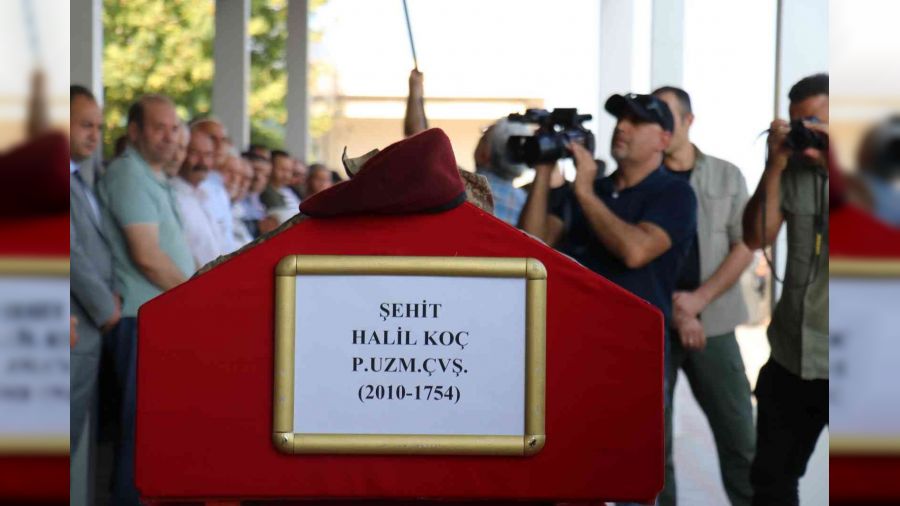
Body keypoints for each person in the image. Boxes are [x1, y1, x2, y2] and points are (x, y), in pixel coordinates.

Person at [520, 93, 696, 402]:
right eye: (620, 118)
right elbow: (532, 246)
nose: (622, 127)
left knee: (638, 434)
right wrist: (544, 169)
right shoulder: (594, 189)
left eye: (636, 121)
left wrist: (585, 193)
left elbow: (635, 252)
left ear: (664, 139)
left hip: (636, 351)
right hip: (575, 345)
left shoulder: (675, 193)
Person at [652, 86, 755, 506]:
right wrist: (678, 311)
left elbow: (746, 244)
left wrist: (698, 301)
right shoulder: (642, 179)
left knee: (740, 439)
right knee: (653, 447)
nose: (658, 124)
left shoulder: (727, 175)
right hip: (655, 326)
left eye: (666, 114)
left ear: (688, 121)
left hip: (715, 323)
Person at [97, 94, 194, 505]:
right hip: (140, 319)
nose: (170, 136)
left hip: (158, 316)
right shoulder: (128, 175)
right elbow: (148, 256)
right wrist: (197, 294)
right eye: (159, 127)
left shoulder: (153, 175)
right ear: (134, 131)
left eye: (174, 128)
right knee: (140, 434)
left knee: (154, 431)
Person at [742, 73, 829, 506]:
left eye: (816, 122)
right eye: (799, 123)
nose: (806, 132)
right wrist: (773, 166)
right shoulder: (792, 169)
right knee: (771, 480)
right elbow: (756, 237)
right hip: (792, 354)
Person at [69, 84, 119, 506]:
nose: (94, 135)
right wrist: (106, 307)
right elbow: (68, 252)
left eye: (99, 127)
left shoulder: (81, 179)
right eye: (85, 125)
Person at [403, 68, 530, 226]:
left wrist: (415, 89)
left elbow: (419, 141)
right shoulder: (527, 206)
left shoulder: (465, 187)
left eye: (484, 135)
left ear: (485, 154)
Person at [171, 129, 229, 268]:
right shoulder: (171, 196)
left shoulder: (208, 195)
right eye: (195, 153)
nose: (202, 162)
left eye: (208, 155)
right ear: (181, 153)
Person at [190, 118, 236, 252]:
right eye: (212, 138)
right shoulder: (192, 182)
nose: (219, 145)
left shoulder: (219, 185)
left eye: (223, 140)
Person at [261, 149, 302, 223]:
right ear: (270, 167)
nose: (287, 175)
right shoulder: (264, 191)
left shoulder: (291, 190)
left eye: (289, 170)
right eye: (282, 169)